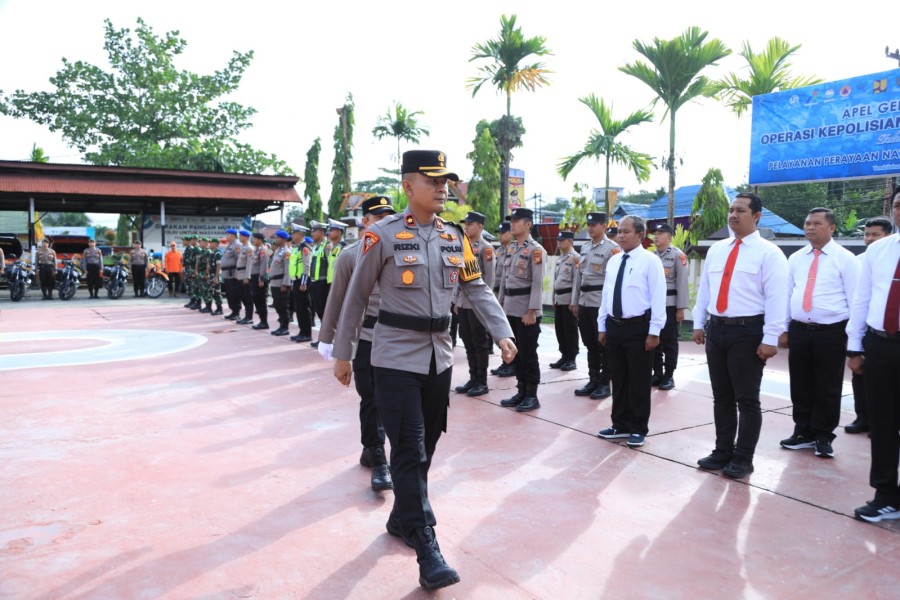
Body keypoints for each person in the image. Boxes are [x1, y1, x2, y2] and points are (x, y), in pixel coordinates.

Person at [331, 150, 516, 590]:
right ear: (408, 186)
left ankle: (401, 517)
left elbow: (476, 287)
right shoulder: (383, 236)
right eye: (432, 181)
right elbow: (356, 297)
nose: (442, 188)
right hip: (393, 356)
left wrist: (501, 331)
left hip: (439, 358)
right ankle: (425, 542)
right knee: (410, 448)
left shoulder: (457, 238)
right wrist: (343, 353)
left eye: (445, 182)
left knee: (427, 445)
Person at [692, 192, 789, 479]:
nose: (733, 215)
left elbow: (776, 298)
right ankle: (722, 450)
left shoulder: (769, 253)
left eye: (741, 210)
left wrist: (770, 338)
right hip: (718, 328)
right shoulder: (717, 249)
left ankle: (743, 458)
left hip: (748, 331)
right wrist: (700, 322)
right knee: (721, 397)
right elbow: (706, 289)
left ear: (756, 216)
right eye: (731, 210)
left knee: (746, 399)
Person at [317, 195, 396, 492]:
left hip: (393, 338)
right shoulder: (350, 255)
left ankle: (371, 447)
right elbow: (337, 301)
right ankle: (378, 457)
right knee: (371, 397)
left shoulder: (398, 250)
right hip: (364, 339)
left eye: (389, 215)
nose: (385, 220)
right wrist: (333, 345)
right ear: (365, 221)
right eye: (378, 217)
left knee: (390, 399)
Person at [779, 208, 859, 459]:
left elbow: (856, 300)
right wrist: (784, 328)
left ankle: (823, 435)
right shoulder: (796, 258)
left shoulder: (846, 259)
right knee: (800, 382)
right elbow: (786, 294)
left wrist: (855, 340)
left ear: (832, 228)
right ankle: (803, 431)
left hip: (831, 331)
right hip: (800, 329)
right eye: (807, 223)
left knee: (828, 385)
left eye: (816, 223)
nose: (810, 227)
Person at [847, 186, 900, 522]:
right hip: (880, 344)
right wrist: (854, 347)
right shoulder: (878, 251)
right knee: (882, 424)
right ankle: (885, 494)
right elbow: (862, 300)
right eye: (898, 205)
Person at [595, 216, 666, 448]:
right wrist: (602, 325)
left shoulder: (650, 261)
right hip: (615, 326)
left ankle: (638, 428)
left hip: (639, 327)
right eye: (618, 231)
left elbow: (658, 297)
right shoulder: (614, 261)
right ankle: (619, 425)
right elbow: (607, 295)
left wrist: (654, 331)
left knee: (638, 380)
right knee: (619, 378)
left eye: (626, 232)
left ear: (640, 234)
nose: (621, 235)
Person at [845, 217, 893, 434]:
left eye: (876, 234)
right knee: (861, 376)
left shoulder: (891, 256)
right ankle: (863, 417)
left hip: (889, 330)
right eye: (867, 234)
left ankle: (884, 424)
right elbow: (858, 298)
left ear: (888, 235)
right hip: (866, 329)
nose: (870, 239)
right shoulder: (859, 260)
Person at [498, 207, 545, 412]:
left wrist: (532, 311)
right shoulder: (511, 249)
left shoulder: (536, 250)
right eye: (512, 220)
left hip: (526, 311)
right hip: (510, 309)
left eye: (517, 221)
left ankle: (532, 395)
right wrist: (499, 306)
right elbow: (504, 281)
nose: (512, 224)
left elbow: (537, 284)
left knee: (528, 354)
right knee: (515, 354)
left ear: (528, 224)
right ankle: (521, 391)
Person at [571, 212, 619, 400]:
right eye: (589, 225)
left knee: (604, 344)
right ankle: (593, 378)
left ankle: (604, 383)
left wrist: (609, 307)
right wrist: (574, 301)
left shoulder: (612, 249)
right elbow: (578, 277)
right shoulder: (584, 247)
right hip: (584, 301)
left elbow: (614, 281)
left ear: (604, 226)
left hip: (600, 303)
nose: (590, 228)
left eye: (595, 225)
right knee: (590, 343)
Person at [453, 211, 496, 397]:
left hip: (477, 303)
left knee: (480, 342)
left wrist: (486, 305)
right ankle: (473, 378)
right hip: (463, 302)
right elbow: (458, 277)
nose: (466, 227)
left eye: (470, 224)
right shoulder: (463, 247)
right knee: (467, 340)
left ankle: (482, 381)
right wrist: (456, 300)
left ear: (480, 226)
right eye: (465, 224)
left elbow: (490, 280)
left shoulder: (486, 249)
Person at [651, 224, 690, 390]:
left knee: (669, 342)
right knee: (653, 340)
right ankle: (657, 373)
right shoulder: (651, 256)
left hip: (669, 305)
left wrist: (680, 308)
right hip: (652, 306)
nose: (656, 236)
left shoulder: (677, 256)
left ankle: (669, 375)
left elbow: (682, 283)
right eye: (655, 233)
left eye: (660, 233)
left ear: (669, 237)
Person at [550, 230, 580, 371]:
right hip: (559, 298)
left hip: (568, 299)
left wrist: (574, 301)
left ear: (570, 241)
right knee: (560, 330)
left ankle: (571, 358)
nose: (559, 243)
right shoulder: (560, 258)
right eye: (558, 240)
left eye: (562, 240)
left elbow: (576, 282)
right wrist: (553, 298)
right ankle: (564, 355)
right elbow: (556, 281)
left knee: (570, 330)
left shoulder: (575, 258)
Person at [490, 221, 516, 377]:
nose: (500, 235)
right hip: (497, 293)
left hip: (508, 295)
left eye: (503, 233)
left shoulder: (514, 250)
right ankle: (504, 362)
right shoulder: (498, 251)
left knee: (509, 331)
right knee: (501, 330)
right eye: (499, 233)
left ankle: (511, 364)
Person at [289, 224, 313, 342]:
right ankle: (301, 331)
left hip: (302, 281)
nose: (292, 235)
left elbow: (306, 266)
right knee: (298, 308)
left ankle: (307, 333)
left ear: (299, 234)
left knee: (303, 308)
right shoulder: (296, 247)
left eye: (294, 233)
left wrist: (303, 283)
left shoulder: (305, 247)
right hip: (296, 280)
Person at [308, 221, 330, 333]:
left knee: (325, 312)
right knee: (319, 311)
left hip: (323, 284)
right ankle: (323, 337)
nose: (312, 234)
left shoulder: (327, 246)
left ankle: (327, 338)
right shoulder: (316, 247)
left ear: (321, 232)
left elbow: (331, 266)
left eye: (314, 231)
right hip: (315, 283)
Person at [268, 230, 292, 336]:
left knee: (283, 306)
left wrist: (285, 284)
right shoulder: (278, 251)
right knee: (277, 305)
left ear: (283, 239)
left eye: (277, 238)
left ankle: (284, 327)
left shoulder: (286, 252)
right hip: (274, 282)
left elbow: (288, 269)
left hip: (281, 283)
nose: (275, 239)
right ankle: (281, 326)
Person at [248, 232, 269, 330]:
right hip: (254, 277)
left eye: (255, 239)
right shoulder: (256, 250)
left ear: (260, 240)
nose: (253, 240)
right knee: (256, 299)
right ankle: (261, 320)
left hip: (259, 278)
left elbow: (263, 266)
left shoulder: (263, 251)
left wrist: (261, 279)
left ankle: (264, 322)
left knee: (260, 300)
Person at [220, 229, 242, 319]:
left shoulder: (237, 245)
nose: (226, 236)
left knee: (234, 293)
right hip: (226, 274)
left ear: (233, 235)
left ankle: (236, 313)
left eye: (228, 234)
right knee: (229, 294)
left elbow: (239, 260)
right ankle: (233, 311)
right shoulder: (230, 245)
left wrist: (237, 273)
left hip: (233, 274)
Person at [236, 230, 255, 325]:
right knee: (243, 296)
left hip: (244, 275)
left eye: (242, 236)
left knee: (247, 297)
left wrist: (247, 277)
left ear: (246, 237)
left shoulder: (249, 248)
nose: (240, 237)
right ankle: (246, 316)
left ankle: (249, 317)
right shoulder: (242, 247)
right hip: (240, 274)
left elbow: (249, 264)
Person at [208, 238, 224, 315]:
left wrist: (216, 277)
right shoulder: (212, 253)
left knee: (217, 292)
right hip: (212, 275)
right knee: (213, 292)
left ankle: (219, 309)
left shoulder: (218, 253)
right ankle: (218, 308)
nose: (210, 244)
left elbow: (219, 266)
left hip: (216, 275)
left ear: (216, 244)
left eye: (212, 243)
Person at [195, 237, 211, 312]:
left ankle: (208, 306)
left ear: (205, 243)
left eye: (200, 242)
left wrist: (207, 273)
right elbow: (197, 262)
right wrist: (196, 271)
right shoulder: (201, 251)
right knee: (202, 290)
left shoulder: (208, 252)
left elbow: (208, 263)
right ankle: (206, 305)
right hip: (200, 272)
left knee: (206, 290)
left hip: (205, 272)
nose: (199, 243)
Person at [182, 235, 198, 308]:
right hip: (188, 269)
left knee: (192, 285)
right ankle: (192, 300)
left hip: (191, 269)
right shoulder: (187, 248)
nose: (183, 242)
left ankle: (194, 300)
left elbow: (194, 260)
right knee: (189, 285)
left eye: (184, 240)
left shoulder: (191, 249)